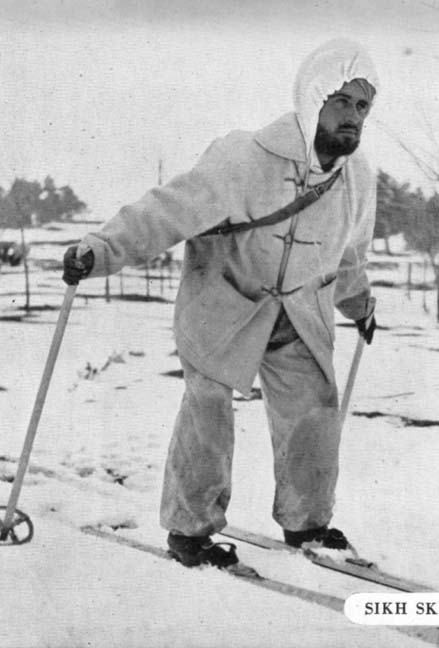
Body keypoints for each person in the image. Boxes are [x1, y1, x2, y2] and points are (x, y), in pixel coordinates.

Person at [63, 39, 379, 568]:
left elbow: (348, 254)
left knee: (314, 409)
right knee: (207, 408)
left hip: (300, 309)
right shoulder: (244, 157)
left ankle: (306, 523)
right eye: (341, 101)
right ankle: (190, 531)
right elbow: (167, 211)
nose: (353, 116)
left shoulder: (357, 179)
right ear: (312, 98)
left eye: (363, 106)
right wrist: (101, 249)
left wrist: (359, 302)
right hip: (225, 300)